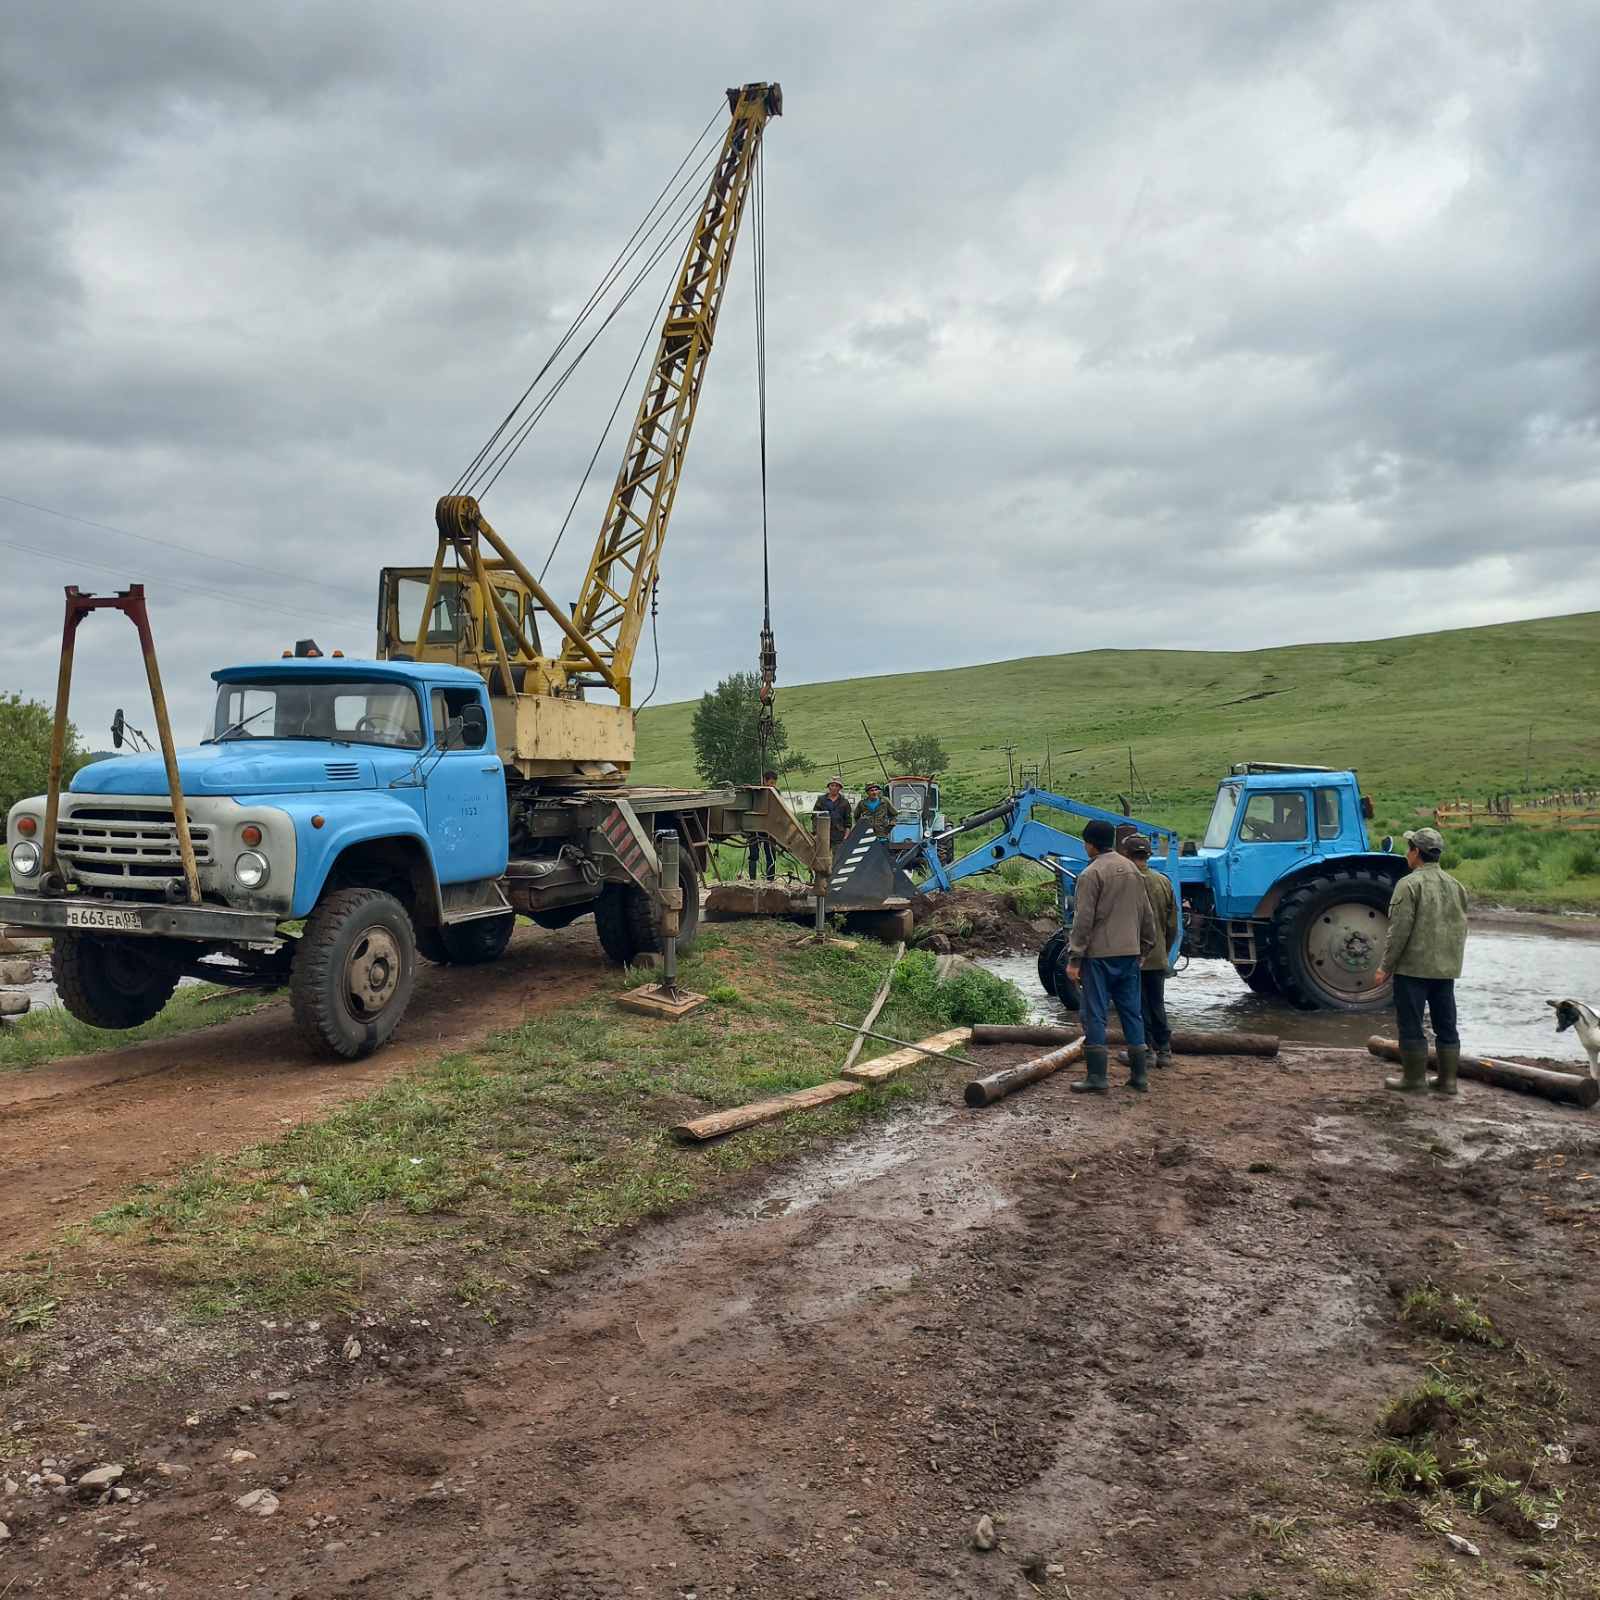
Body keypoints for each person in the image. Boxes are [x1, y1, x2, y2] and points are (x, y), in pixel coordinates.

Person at [1373, 826, 1469, 1096]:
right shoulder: (1456, 886)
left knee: (1411, 1025)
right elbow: (1462, 930)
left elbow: (1399, 931)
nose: (1407, 853)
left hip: (1413, 969)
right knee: (1446, 1025)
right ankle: (1448, 1082)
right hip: (1445, 971)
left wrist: (1385, 967)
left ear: (1416, 852)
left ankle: (1413, 1081)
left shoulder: (1409, 884)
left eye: (1409, 848)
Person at [1065, 820, 1159, 1093]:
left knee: (1094, 1013)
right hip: (1130, 954)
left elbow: (1083, 920)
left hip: (1099, 956)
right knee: (1132, 1013)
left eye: (1085, 842)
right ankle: (1140, 1077)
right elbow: (1146, 914)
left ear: (1091, 844)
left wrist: (1074, 958)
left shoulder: (1091, 874)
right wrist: (1144, 948)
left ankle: (1097, 1077)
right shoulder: (1133, 870)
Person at [1119, 833, 1178, 1069]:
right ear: (1148, 855)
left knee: (1137, 1006)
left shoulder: (1125, 883)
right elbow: (1173, 925)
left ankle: (1144, 1052)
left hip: (1132, 955)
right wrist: (1164, 948)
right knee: (1157, 1003)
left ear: (1125, 855)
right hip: (1158, 955)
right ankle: (1164, 1051)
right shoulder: (1163, 882)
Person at [748, 769, 779, 882]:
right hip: (755, 828)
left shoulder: (776, 793)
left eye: (774, 783)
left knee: (770, 855)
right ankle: (752, 880)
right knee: (754, 854)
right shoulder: (756, 792)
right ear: (764, 781)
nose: (772, 785)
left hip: (769, 829)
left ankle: (770, 880)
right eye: (770, 783)